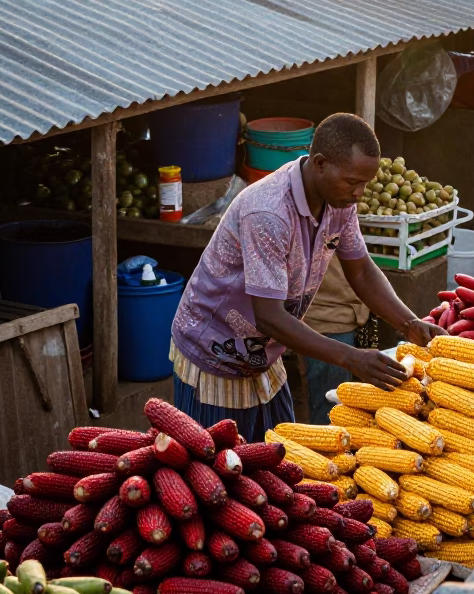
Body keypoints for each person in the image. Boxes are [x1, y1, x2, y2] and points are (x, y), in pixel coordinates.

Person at [170, 113, 444, 438]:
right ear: (320, 163)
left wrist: (409, 324)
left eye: (365, 183)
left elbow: (362, 272)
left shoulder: (339, 202)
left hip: (263, 356)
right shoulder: (269, 214)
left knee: (278, 461)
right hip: (215, 353)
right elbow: (269, 316)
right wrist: (350, 358)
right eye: (353, 182)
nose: (360, 193)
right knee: (218, 471)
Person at [301, 256, 370, 424]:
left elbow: (365, 269)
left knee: (341, 407)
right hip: (324, 319)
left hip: (346, 312)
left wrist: (408, 323)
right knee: (328, 411)